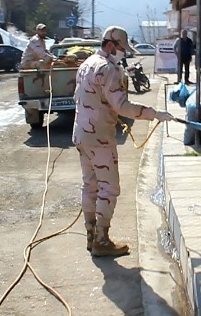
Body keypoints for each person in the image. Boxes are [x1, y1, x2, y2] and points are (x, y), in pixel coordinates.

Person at [73, 25, 173, 257]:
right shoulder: (109, 69)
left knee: (90, 185)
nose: (123, 53)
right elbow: (123, 106)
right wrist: (154, 113)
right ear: (110, 44)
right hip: (99, 137)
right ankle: (102, 240)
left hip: (81, 135)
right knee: (109, 188)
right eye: (121, 48)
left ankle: (91, 236)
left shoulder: (86, 64)